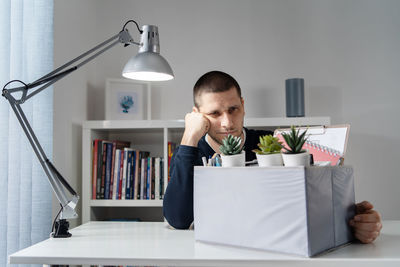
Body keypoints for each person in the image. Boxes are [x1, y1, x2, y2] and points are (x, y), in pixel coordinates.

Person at [163, 70, 382, 244]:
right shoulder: (189, 152)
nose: (228, 123)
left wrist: (356, 223)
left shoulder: (272, 142)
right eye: (214, 114)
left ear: (243, 105)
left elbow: (314, 202)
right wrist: (190, 135)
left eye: (233, 109)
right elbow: (178, 219)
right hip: (216, 251)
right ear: (197, 114)